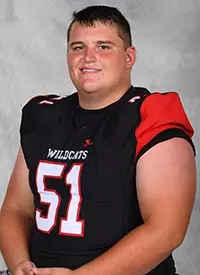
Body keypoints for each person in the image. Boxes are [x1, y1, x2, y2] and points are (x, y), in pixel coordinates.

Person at [0, 5, 196, 275]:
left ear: (129, 57)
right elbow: (16, 210)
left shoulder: (151, 115)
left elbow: (166, 230)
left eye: (104, 47)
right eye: (78, 47)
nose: (88, 57)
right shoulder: (43, 115)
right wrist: (20, 266)